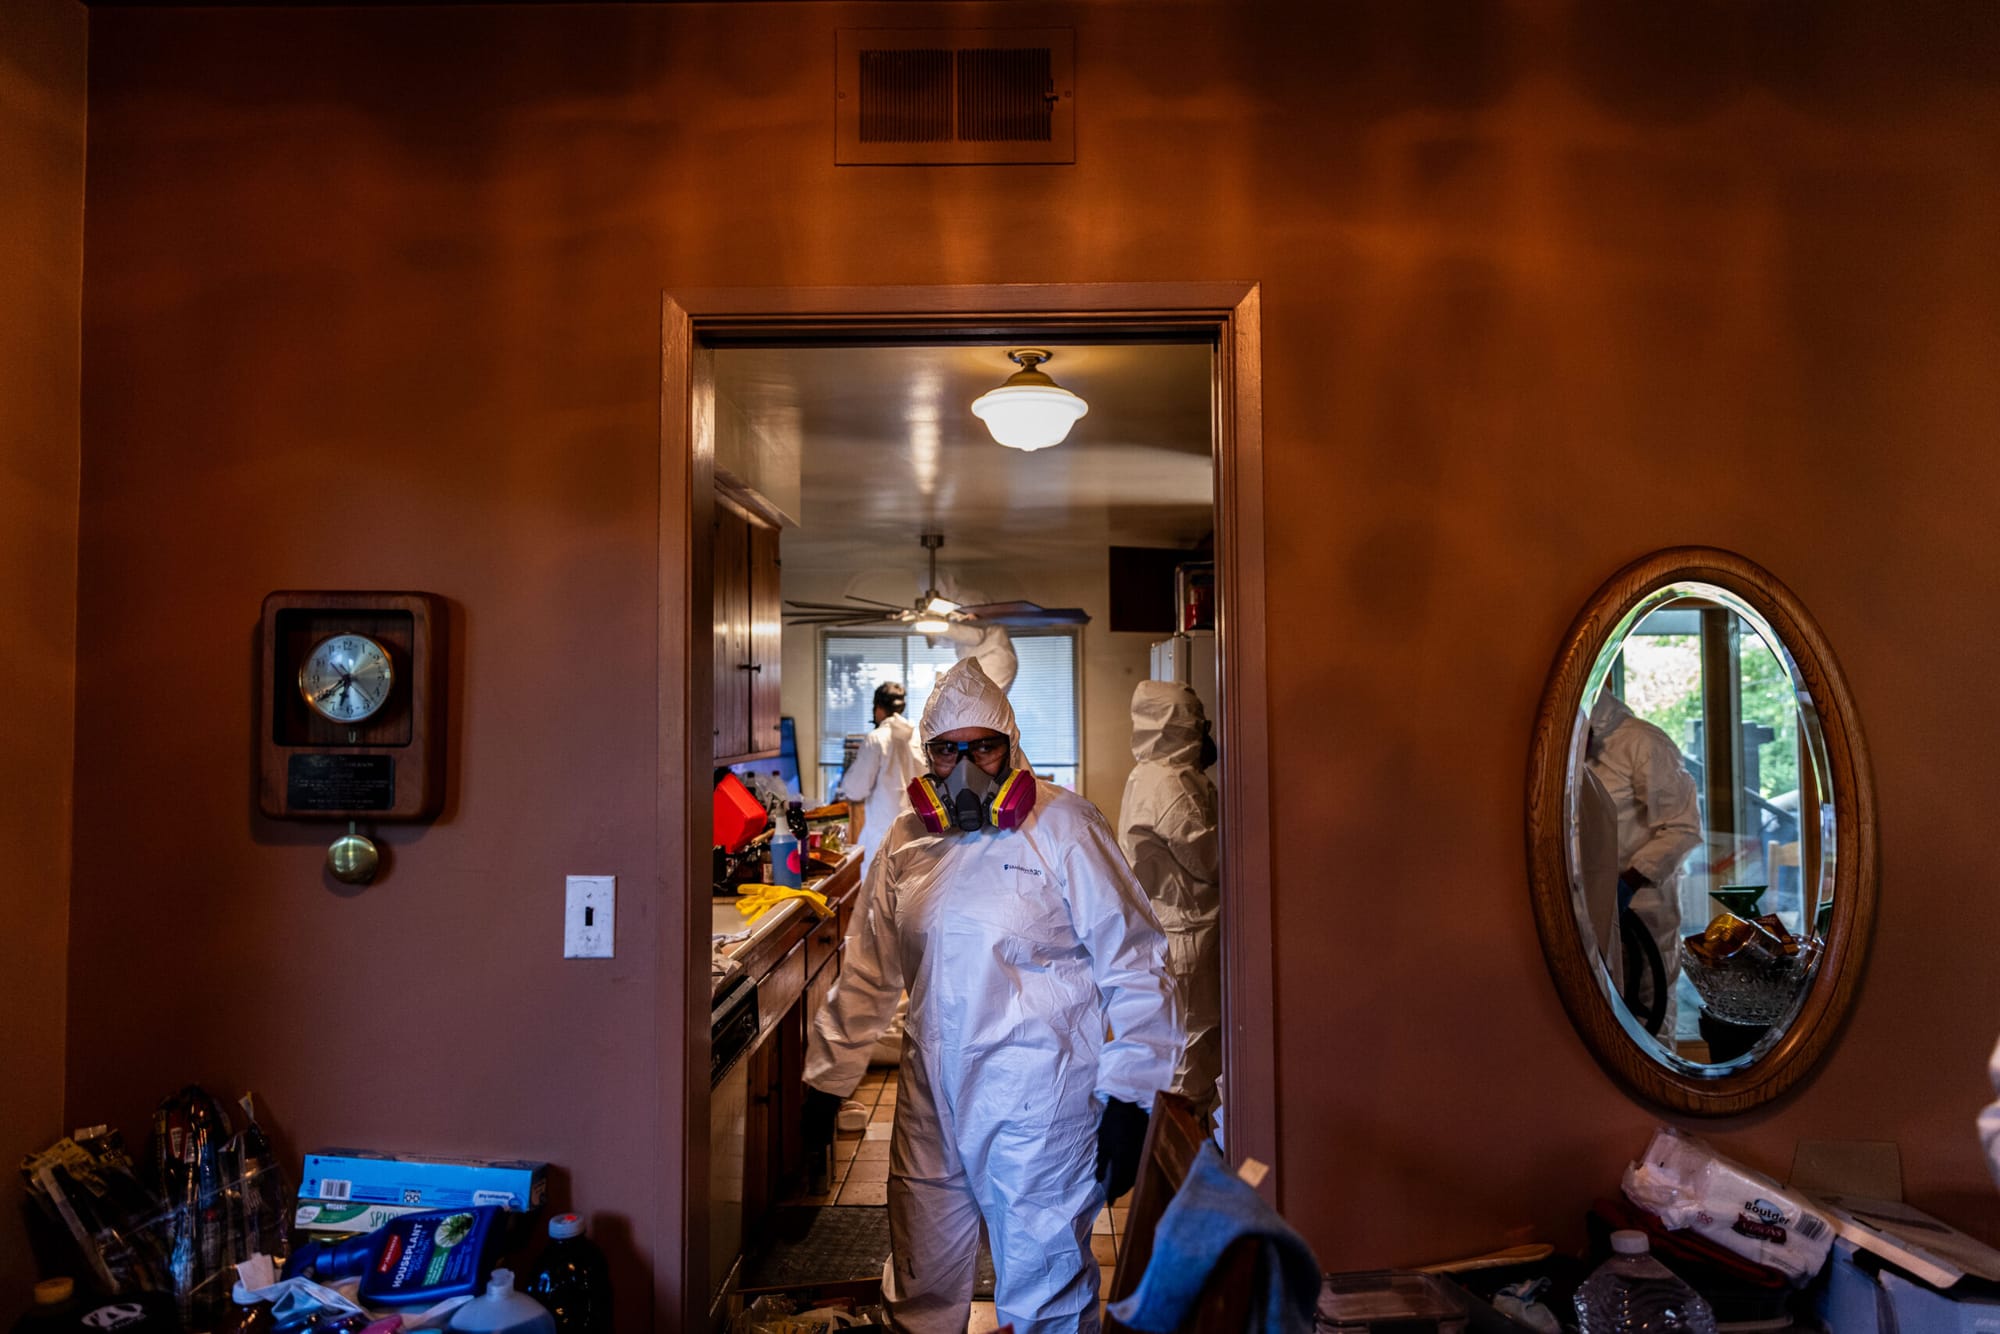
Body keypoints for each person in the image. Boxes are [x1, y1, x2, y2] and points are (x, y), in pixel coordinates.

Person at [803, 658, 1179, 1334]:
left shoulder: (1065, 826)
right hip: (931, 1095)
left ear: (1011, 746)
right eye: (948, 750)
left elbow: (1135, 956)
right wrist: (828, 1078)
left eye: (984, 746)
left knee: (1044, 1293)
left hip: (1040, 1098)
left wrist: (1133, 1093)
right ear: (928, 757)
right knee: (918, 1286)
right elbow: (869, 965)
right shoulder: (906, 839)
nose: (967, 765)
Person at [1117, 681, 1221, 1116]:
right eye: (1199, 724)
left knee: (1177, 1049)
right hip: (1187, 933)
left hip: (1167, 929)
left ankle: (1172, 1157)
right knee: (1190, 1058)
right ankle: (1181, 1165)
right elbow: (1211, 860)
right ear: (1183, 726)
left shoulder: (1146, 773)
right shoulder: (1173, 786)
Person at [1586, 688, 1702, 1041]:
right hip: (1591, 907)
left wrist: (1628, 882)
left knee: (1650, 1014)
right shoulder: (1567, 752)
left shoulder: (1643, 743)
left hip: (1644, 909)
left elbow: (1682, 827)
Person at [836, 681, 924, 864]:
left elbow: (856, 789)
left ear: (878, 708)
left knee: (879, 888)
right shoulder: (917, 736)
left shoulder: (876, 739)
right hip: (916, 834)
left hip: (883, 835)